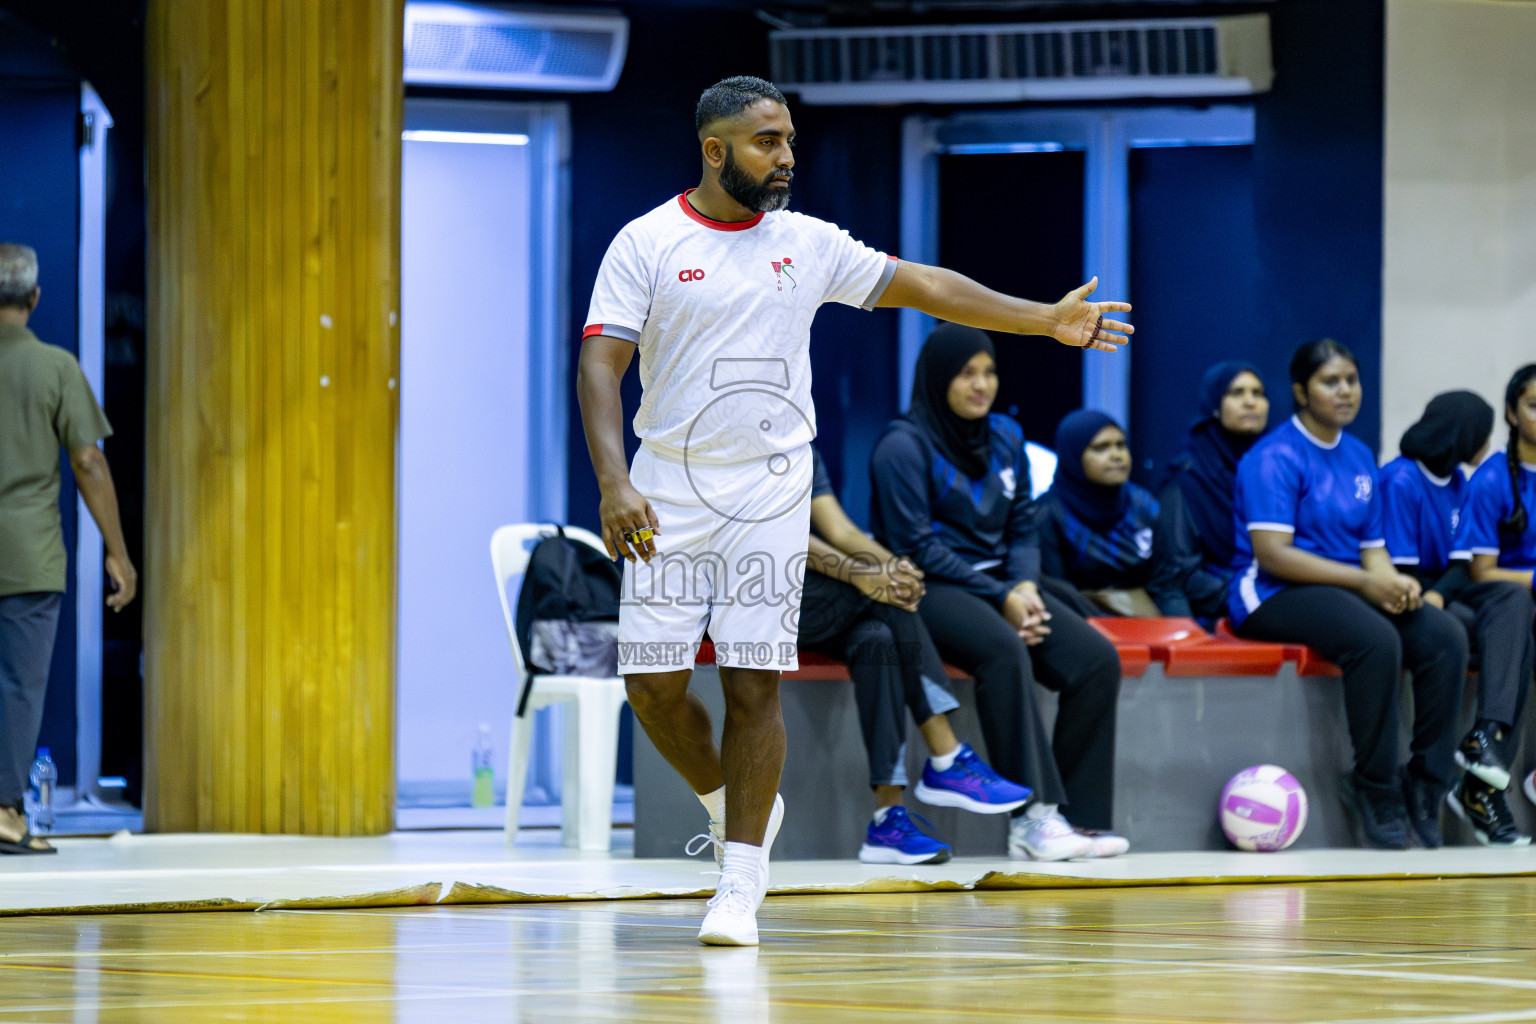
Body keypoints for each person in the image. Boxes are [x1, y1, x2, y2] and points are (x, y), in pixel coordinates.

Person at [576, 77, 1131, 946]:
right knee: (652, 686)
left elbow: (928, 286)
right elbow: (601, 368)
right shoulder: (645, 242)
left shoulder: (806, 242)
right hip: (668, 487)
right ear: (715, 150)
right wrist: (615, 482)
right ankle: (733, 810)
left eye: (790, 139)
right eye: (767, 141)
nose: (787, 156)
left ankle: (741, 882)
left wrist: (1043, 321)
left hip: (770, 484)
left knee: (754, 683)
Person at [869, 323, 1129, 864]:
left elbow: (1023, 527)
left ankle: (1075, 820)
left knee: (1095, 659)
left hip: (1001, 583)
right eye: (967, 374)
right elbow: (913, 544)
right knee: (1004, 649)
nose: (980, 385)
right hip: (926, 586)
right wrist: (1002, 595)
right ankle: (1032, 820)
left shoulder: (1007, 436)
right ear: (939, 379)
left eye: (988, 372)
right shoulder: (902, 445)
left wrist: (1025, 586)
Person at [1229, 339, 1466, 850]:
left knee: (1443, 634)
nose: (1345, 392)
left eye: (1351, 381)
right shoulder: (1273, 456)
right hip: (1272, 593)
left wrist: (1395, 583)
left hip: (1345, 587)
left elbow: (1373, 549)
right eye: (1329, 382)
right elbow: (1274, 554)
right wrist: (1367, 582)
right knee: (1375, 638)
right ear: (1300, 391)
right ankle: (1375, 787)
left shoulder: (1359, 455)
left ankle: (1425, 784)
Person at [799, 446, 1031, 865]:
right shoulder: (739, 433)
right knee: (885, 600)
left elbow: (839, 529)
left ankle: (887, 819)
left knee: (878, 639)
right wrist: (864, 575)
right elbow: (779, 536)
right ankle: (945, 755)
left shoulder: (802, 441)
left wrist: (893, 570)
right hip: (750, 595)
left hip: (814, 598)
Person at [0, 243, 137, 855]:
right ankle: (5, 813)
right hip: (28, 555)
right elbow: (88, 459)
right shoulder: (56, 367)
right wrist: (118, 552)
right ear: (33, 299)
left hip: (29, 558)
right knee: (19, 685)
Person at [1380, 389, 1534, 847]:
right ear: (1461, 433)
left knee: (1515, 608)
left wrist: (1441, 595)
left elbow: (1460, 564)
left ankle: (1485, 748)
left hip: (1445, 595)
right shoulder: (1401, 480)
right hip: (1401, 598)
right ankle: (1443, 775)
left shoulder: (1457, 483)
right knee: (1502, 610)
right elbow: (1401, 568)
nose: (1485, 443)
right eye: (1480, 433)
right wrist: (1436, 596)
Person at [1450, 366, 1536, 814]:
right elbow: (1482, 572)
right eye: (1534, 405)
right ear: (1511, 412)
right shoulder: (1492, 480)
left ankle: (1487, 779)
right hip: (1494, 596)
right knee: (1519, 613)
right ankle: (1487, 754)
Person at [1151, 362, 1269, 622]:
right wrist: (1249, 596)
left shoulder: (1277, 464)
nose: (1250, 402)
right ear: (1215, 404)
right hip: (1216, 613)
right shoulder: (1188, 477)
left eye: (1258, 393)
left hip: (1272, 599)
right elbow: (1175, 576)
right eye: (1236, 393)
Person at [1036, 410, 1164, 616]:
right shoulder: (1047, 513)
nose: (1116, 456)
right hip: (1078, 624)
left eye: (1121, 445)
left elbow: (1165, 583)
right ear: (1073, 456)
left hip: (1146, 620)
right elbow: (1055, 592)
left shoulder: (1144, 505)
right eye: (1100, 448)